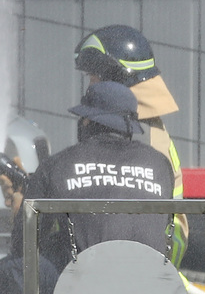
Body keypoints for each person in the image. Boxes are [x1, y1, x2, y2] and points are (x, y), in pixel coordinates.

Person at [0, 81, 174, 294]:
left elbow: (23, 246)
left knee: (10, 270)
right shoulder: (160, 165)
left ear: (87, 120)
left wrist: (19, 205)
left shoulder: (58, 165)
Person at [73, 25, 189, 267]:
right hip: (155, 254)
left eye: (93, 77)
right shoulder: (149, 127)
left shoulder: (130, 133)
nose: (90, 86)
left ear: (116, 77)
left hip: (134, 260)